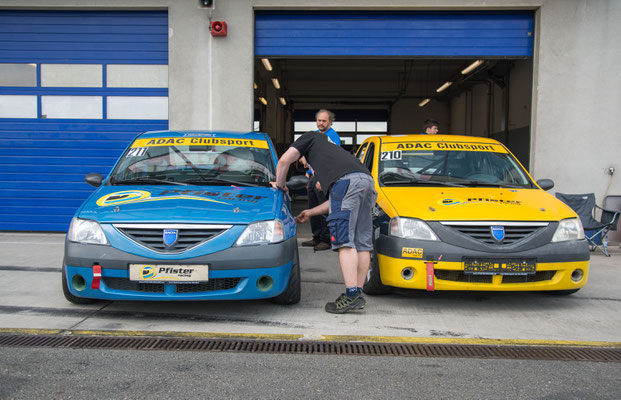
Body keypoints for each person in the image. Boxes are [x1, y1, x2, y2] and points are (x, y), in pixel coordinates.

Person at [271, 131, 376, 314]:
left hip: (347, 183)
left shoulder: (310, 138)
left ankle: (351, 295)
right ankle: (358, 294)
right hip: (366, 181)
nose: (303, 164)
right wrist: (310, 212)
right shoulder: (334, 154)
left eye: (301, 161)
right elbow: (339, 201)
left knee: (345, 241)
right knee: (362, 242)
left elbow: (283, 162)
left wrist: (279, 186)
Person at [301, 109, 341, 251]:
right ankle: (317, 237)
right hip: (313, 176)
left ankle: (326, 239)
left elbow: (332, 161)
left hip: (323, 177)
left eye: (324, 121)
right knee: (313, 208)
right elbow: (314, 157)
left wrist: (324, 179)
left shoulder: (332, 137)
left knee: (323, 209)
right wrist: (308, 172)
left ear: (330, 122)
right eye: (319, 120)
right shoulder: (317, 135)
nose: (321, 123)